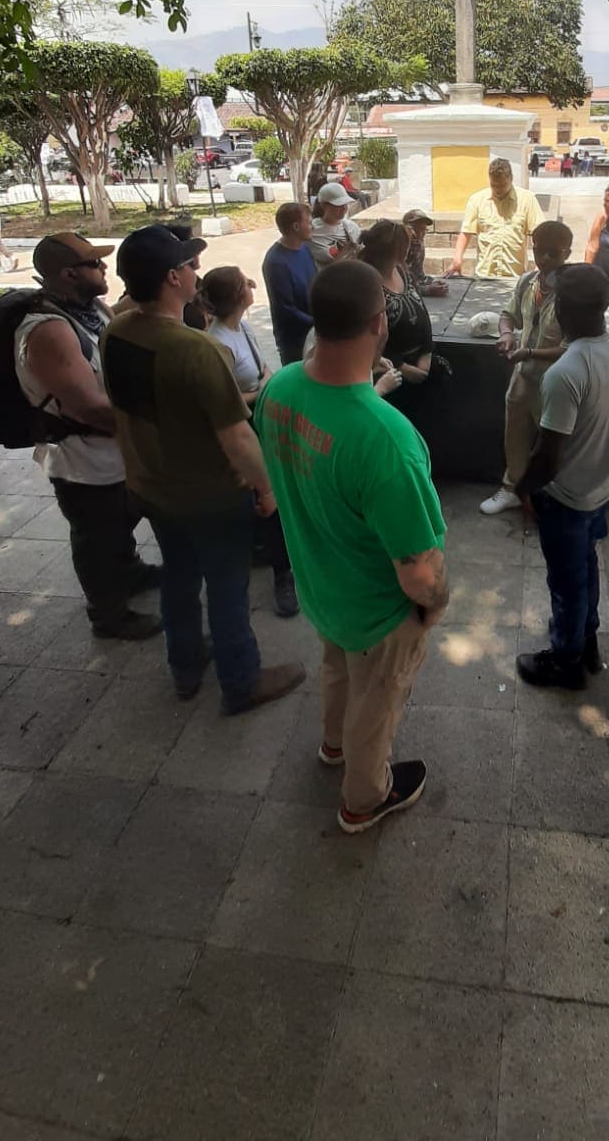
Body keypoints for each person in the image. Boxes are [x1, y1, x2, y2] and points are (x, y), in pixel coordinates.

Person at [257, 259, 448, 833]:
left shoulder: (282, 386)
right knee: (378, 701)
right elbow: (418, 569)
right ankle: (363, 799)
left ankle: (332, 746)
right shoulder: (386, 439)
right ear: (379, 325)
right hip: (378, 608)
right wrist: (433, 606)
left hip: (323, 586)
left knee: (338, 666)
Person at [101, 225, 306, 713]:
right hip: (210, 497)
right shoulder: (196, 350)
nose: (196, 272)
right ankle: (241, 682)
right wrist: (267, 488)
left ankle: (186, 666)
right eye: (189, 265)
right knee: (228, 588)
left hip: (152, 488)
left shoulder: (115, 332)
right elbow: (236, 435)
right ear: (173, 278)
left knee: (179, 575)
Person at [16, 232, 161, 640]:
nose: (103, 269)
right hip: (83, 459)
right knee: (96, 535)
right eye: (94, 264)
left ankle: (130, 572)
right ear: (68, 274)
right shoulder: (49, 331)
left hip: (113, 451)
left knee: (121, 521)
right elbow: (88, 407)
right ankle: (108, 613)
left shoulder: (89, 306)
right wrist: (153, 424)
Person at [515, 263, 609, 688]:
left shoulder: (566, 373)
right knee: (585, 565)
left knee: (566, 582)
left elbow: (548, 455)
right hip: (606, 487)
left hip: (568, 498)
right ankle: (586, 639)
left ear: (560, 313)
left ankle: (566, 661)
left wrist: (524, 490)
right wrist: (606, 443)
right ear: (606, 303)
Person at [203, 264, 300, 617]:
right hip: (243, 427)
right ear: (236, 296)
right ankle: (282, 575)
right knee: (266, 495)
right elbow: (223, 401)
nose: (252, 284)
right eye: (245, 282)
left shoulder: (242, 327)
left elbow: (261, 371)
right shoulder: (217, 344)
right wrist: (260, 393)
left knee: (272, 495)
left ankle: (269, 550)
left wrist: (269, 386)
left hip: (262, 419)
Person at [479, 220, 573, 515]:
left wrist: (530, 352)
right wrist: (507, 334)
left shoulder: (572, 292)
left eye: (552, 254)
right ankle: (512, 488)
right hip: (523, 375)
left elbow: (573, 347)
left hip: (556, 380)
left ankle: (554, 498)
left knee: (554, 443)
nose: (544, 259)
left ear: (566, 253)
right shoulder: (527, 282)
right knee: (515, 432)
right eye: (539, 251)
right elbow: (508, 315)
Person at [360, 220, 437, 404]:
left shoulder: (402, 271)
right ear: (398, 251)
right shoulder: (367, 283)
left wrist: (427, 352)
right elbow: (373, 335)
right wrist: (402, 366)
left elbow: (421, 311)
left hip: (419, 362)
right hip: (389, 374)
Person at [447, 157, 543, 279]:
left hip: (515, 276)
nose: (498, 190)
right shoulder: (477, 200)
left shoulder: (527, 200)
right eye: (494, 185)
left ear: (511, 179)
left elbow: (540, 234)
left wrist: (540, 264)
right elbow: (466, 232)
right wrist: (457, 258)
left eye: (503, 185)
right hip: (484, 275)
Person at [262, 201, 318, 364]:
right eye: (308, 222)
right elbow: (286, 309)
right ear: (296, 227)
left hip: (314, 331)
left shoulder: (305, 249)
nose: (312, 226)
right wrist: (317, 322)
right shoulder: (276, 262)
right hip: (294, 339)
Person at [310, 181, 363, 266]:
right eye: (338, 205)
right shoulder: (311, 231)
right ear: (323, 205)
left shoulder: (351, 227)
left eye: (345, 204)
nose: (344, 208)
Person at [402, 207, 449, 297]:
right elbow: (400, 283)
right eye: (415, 229)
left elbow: (418, 275)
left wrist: (433, 282)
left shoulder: (418, 244)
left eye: (423, 229)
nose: (420, 234)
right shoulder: (400, 247)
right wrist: (426, 290)